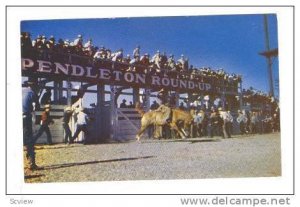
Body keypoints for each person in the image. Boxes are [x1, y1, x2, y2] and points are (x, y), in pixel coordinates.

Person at [22, 81, 40, 170]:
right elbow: (37, 107)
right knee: (29, 140)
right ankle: (31, 163)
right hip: (26, 117)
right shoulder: (32, 93)